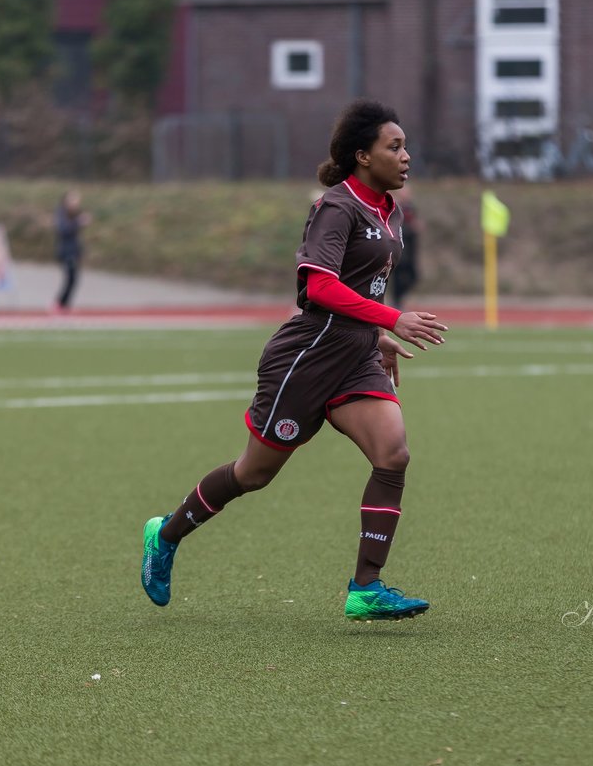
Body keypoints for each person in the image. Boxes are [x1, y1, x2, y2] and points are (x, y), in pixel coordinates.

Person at [139, 99, 448, 621]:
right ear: (361, 156)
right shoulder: (338, 206)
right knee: (253, 475)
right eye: (393, 147)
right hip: (305, 358)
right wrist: (391, 318)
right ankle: (165, 533)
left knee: (393, 454)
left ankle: (365, 586)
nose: (406, 156)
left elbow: (356, 287)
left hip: (354, 357)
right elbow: (319, 286)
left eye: (405, 145)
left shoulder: (386, 212)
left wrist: (375, 335)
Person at [54, 190, 90, 312]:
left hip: (74, 251)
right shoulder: (61, 214)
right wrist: (78, 222)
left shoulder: (74, 214)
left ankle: (64, 304)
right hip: (66, 252)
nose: (76, 203)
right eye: (73, 200)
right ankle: (60, 304)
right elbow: (64, 230)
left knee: (73, 279)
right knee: (70, 278)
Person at [391, 185, 420, 309]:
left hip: (411, 248)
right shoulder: (395, 207)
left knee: (414, 275)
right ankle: (397, 302)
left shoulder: (411, 207)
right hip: (399, 248)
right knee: (397, 277)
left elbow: (414, 222)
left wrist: (417, 228)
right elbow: (396, 227)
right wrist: (411, 228)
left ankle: (400, 298)